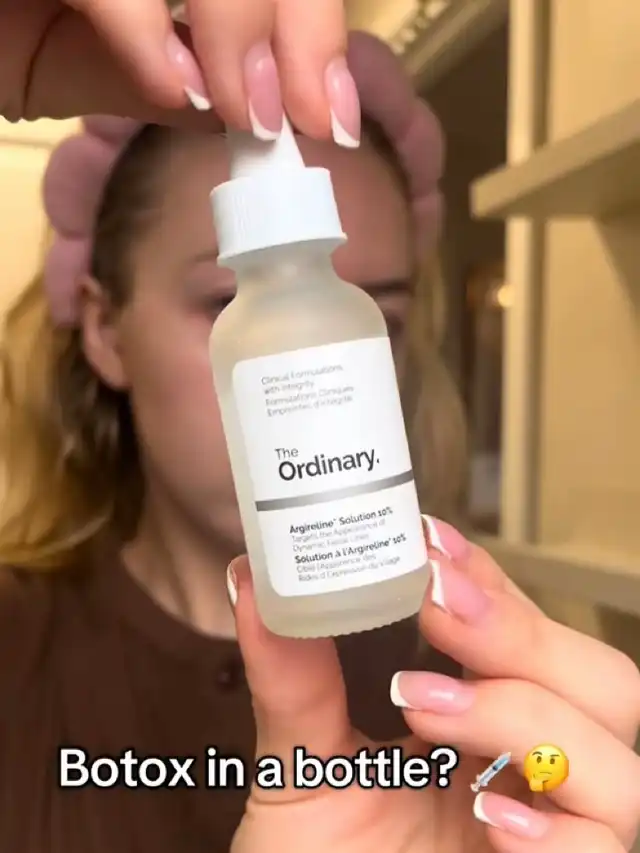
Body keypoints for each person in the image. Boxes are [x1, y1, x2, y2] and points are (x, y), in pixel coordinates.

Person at [0, 3, 639, 853]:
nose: (313, 360)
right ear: (106, 328)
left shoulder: (475, 684)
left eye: (380, 317)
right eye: (225, 301)